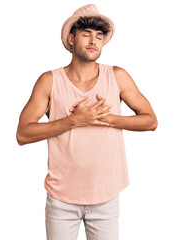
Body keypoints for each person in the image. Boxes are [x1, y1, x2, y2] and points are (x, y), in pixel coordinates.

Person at [16, 4, 158, 240]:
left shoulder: (117, 76)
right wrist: (74, 121)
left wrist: (107, 118)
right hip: (61, 198)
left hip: (106, 195)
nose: (94, 40)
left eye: (99, 36)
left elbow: (150, 121)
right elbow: (23, 134)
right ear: (71, 39)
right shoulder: (49, 81)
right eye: (86, 34)